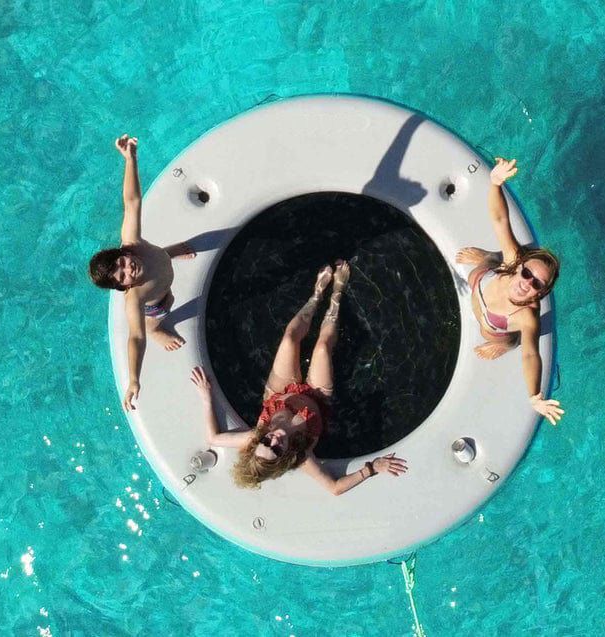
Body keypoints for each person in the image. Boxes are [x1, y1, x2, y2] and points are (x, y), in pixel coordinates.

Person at [189, 261, 408, 494]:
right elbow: (334, 488)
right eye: (275, 449)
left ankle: (316, 295)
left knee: (289, 339)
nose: (273, 440)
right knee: (322, 348)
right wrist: (372, 468)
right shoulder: (301, 455)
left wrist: (206, 397)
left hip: (280, 393)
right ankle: (337, 292)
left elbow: (213, 438)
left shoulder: (255, 436)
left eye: (266, 442)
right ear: (283, 457)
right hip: (317, 399)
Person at [88, 134, 195, 411]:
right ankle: (158, 329)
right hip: (157, 303)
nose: (129, 269)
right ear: (124, 287)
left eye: (122, 262)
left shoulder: (133, 244)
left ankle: (171, 252)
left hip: (161, 261)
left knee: (161, 258)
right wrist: (134, 379)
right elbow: (135, 337)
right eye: (122, 276)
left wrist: (130, 159)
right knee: (167, 304)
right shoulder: (135, 298)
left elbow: (132, 201)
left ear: (122, 252)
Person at [456, 157, 564, 425]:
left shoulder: (526, 318)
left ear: (539, 294)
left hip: (497, 327)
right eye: (527, 273)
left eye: (536, 284)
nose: (527, 283)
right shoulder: (513, 261)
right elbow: (500, 219)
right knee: (490, 261)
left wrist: (534, 396)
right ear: (520, 267)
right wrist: (495, 183)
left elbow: (530, 353)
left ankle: (503, 344)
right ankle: (488, 255)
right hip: (485, 279)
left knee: (507, 341)